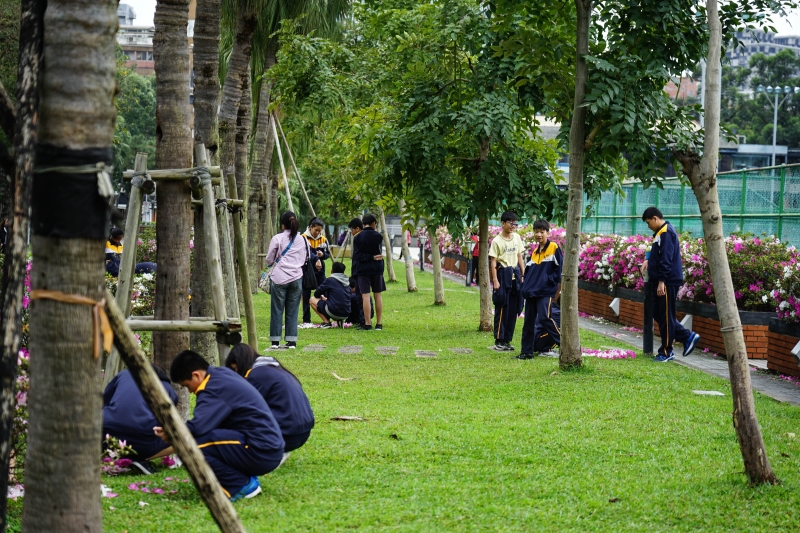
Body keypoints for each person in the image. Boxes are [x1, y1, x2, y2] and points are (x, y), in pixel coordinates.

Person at [158, 350, 285, 502]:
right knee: (206, 438)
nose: (190, 391)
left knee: (190, 446)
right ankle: (242, 478)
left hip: (261, 450)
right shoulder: (222, 374)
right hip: (268, 448)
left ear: (196, 375)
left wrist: (172, 432)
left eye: (186, 386)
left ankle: (240, 485)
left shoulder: (212, 388)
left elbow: (198, 428)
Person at [224, 344, 315, 459]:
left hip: (288, 434)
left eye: (235, 370)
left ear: (241, 364)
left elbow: (242, 410)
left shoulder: (256, 376)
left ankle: (272, 454)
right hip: (303, 433)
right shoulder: (273, 367)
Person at [640, 207, 700, 362]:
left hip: (667, 282)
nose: (648, 226)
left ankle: (667, 352)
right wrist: (648, 259)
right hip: (661, 280)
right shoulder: (660, 233)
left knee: (666, 316)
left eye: (648, 223)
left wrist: (662, 282)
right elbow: (658, 254)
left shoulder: (666, 232)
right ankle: (687, 336)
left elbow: (666, 258)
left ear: (655, 218)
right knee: (659, 314)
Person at [102, 365, 178, 474]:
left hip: (105, 437)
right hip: (143, 444)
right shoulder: (168, 389)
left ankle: (109, 456)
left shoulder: (124, 374)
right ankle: (140, 459)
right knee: (183, 437)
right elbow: (168, 422)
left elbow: (104, 401)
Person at [517, 220, 562, 360]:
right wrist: (525, 285)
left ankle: (565, 345)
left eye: (542, 232)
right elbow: (529, 272)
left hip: (544, 291)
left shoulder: (554, 247)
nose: (539, 234)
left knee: (545, 317)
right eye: (536, 231)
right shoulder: (534, 252)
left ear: (547, 233)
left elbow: (560, 269)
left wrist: (552, 285)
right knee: (528, 322)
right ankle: (527, 352)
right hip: (531, 293)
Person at [265, 211, 310, 349]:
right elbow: (307, 258)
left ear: (283, 224)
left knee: (277, 309)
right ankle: (291, 341)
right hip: (296, 277)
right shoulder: (303, 239)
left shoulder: (278, 238)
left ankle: (275, 342)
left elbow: (269, 259)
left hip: (279, 278)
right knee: (293, 309)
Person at [489, 211, 525, 352]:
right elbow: (493, 262)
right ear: (503, 223)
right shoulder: (497, 241)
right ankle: (499, 339)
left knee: (513, 308)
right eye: (510, 222)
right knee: (502, 307)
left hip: (515, 276)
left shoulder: (516, 237)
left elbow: (519, 256)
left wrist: (523, 274)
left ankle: (507, 340)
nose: (513, 225)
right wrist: (495, 281)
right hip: (503, 275)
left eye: (515, 223)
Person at [352, 213, 385, 331]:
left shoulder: (357, 237)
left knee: (365, 296)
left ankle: (367, 323)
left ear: (363, 224)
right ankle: (379, 323)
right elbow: (379, 253)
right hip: (377, 269)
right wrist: (374, 258)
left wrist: (369, 258)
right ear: (374, 223)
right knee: (378, 295)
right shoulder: (378, 236)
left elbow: (357, 256)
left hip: (363, 269)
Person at [300, 218, 329, 327]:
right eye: (316, 230)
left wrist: (322, 255)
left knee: (324, 292)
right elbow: (305, 252)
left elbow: (327, 255)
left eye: (319, 230)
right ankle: (306, 319)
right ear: (310, 227)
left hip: (320, 271)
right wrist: (315, 259)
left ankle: (327, 318)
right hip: (307, 270)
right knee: (306, 294)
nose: (317, 232)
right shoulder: (303, 238)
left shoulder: (323, 239)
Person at [309, 261, 351, 328]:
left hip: (334, 311)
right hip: (346, 313)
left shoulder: (330, 280)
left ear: (332, 271)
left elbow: (317, 293)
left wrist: (322, 297)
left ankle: (326, 322)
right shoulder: (347, 281)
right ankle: (340, 321)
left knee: (312, 299)